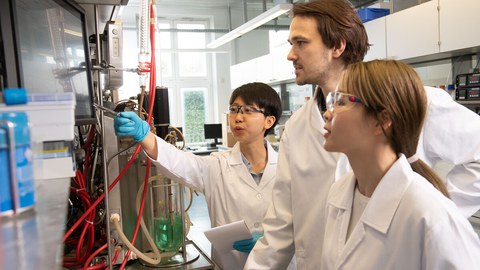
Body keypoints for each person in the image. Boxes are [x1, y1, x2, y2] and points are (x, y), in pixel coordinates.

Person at [245, 0, 480, 269]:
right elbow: (281, 222)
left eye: (301, 43)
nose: (291, 55)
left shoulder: (412, 101)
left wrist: (429, 209)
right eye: (290, 44)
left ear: (337, 46)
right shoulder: (298, 127)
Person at [321, 59, 480, 269]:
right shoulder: (339, 193)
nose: (327, 113)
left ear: (382, 120)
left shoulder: (433, 218)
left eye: (341, 102)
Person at [114, 82, 283, 270]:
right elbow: (179, 162)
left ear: (269, 121)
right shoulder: (217, 165)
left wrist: (272, 240)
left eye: (248, 110)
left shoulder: (288, 167)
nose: (238, 117)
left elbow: (306, 220)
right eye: (234, 109)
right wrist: (144, 136)